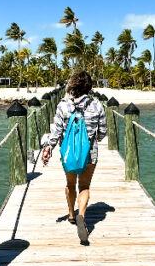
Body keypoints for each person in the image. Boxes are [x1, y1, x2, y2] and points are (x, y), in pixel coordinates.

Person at [40, 70, 107, 244]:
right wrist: (93, 139)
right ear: (89, 86)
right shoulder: (97, 105)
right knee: (84, 186)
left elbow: (56, 130)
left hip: (68, 153)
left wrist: (49, 147)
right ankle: (82, 216)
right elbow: (103, 132)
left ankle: (71, 215)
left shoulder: (63, 105)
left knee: (70, 184)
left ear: (72, 85)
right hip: (90, 153)